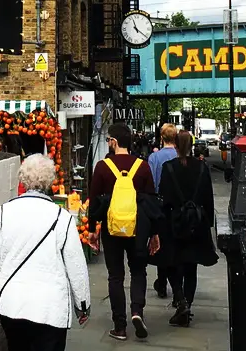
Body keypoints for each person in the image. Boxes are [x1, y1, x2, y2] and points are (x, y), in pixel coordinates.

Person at [0, 154, 91, 350]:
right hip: (51, 308)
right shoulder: (62, 217)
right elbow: (76, 266)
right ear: (50, 180)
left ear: (23, 180)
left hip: (13, 305)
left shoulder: (4, 212)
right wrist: (83, 305)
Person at [87, 123, 155, 341]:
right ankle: (137, 312)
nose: (108, 143)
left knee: (115, 276)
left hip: (111, 229)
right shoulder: (142, 166)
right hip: (137, 229)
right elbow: (151, 202)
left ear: (114, 142)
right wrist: (154, 233)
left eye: (108, 140)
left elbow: (94, 201)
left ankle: (120, 326)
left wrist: (91, 230)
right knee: (138, 272)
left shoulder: (102, 166)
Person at [159, 130, 218, 328]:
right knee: (191, 266)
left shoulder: (168, 168)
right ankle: (187, 304)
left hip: (174, 222)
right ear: (192, 145)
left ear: (175, 145)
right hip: (197, 223)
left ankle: (180, 299)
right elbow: (208, 198)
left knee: (171, 263)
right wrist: (207, 222)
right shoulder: (202, 168)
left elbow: (164, 198)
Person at [146, 123, 180, 303]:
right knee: (175, 245)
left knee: (160, 243)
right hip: (177, 207)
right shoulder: (181, 156)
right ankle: (178, 290)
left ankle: (162, 283)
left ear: (161, 137)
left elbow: (150, 183)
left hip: (159, 205)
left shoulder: (154, 157)